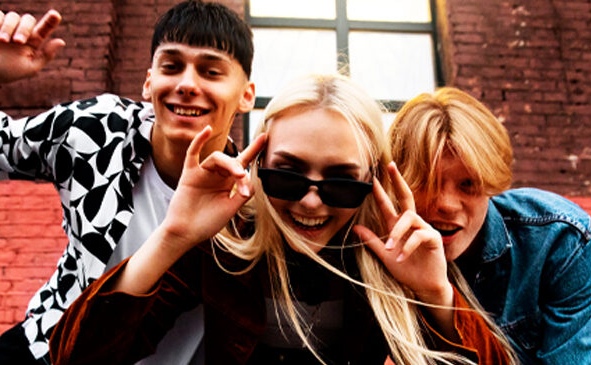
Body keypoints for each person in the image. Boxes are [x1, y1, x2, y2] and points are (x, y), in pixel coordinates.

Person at [50, 74, 517, 365]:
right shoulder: (228, 240)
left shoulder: (389, 252)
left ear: (372, 180)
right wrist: (171, 236)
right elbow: (77, 356)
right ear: (259, 163)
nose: (311, 203)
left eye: (340, 183)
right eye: (289, 177)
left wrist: (436, 294)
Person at [0, 1, 254, 363]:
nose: (187, 84)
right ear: (148, 81)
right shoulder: (95, 131)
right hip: (50, 348)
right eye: (171, 66)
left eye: (211, 72)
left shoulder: (253, 197)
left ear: (246, 95)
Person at [388, 87, 591, 364]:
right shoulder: (387, 254)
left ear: (490, 183)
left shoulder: (560, 238)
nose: (447, 204)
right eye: (429, 182)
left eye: (468, 184)